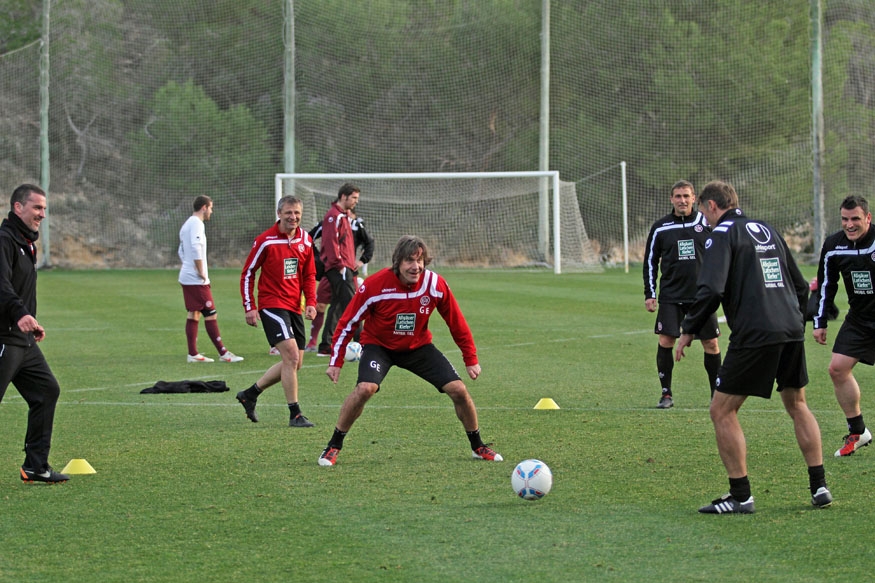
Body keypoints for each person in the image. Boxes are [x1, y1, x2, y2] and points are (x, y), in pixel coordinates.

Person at [676, 180, 832, 513]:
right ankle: (819, 487)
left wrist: (689, 328)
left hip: (756, 332)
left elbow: (712, 289)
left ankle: (740, 495)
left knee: (721, 410)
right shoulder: (766, 229)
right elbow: (800, 285)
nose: (703, 216)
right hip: (790, 328)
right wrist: (792, 317)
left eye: (703, 209)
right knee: (797, 404)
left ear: (713, 206)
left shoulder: (722, 233)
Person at [316, 235, 503, 466]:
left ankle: (478, 446)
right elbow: (348, 322)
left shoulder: (435, 284)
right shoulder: (375, 285)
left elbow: (456, 322)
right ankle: (333, 445)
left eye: (420, 260)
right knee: (365, 388)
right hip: (379, 347)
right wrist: (336, 361)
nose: (415, 267)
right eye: (409, 261)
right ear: (398, 262)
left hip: (418, 347)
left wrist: (470, 358)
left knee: (459, 390)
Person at [0, 184, 68, 483]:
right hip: (4, 336)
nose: (42, 214)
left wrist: (29, 320)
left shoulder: (25, 242)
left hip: (23, 340)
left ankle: (35, 466)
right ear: (18, 207)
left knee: (46, 391)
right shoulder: (4, 240)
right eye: (37, 208)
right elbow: (1, 287)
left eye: (44, 208)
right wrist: (21, 313)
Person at [236, 195, 318, 427]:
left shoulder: (306, 240)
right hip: (272, 304)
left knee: (295, 362)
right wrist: (249, 307)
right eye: (289, 213)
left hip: (295, 306)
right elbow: (248, 273)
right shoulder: (266, 240)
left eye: (297, 213)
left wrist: (310, 301)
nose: (293, 217)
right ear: (279, 213)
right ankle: (295, 414)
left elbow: (309, 274)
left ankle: (250, 394)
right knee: (291, 356)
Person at [643, 180, 721, 408]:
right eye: (677, 196)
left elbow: (721, 256)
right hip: (671, 295)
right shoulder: (661, 227)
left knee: (711, 343)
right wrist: (650, 293)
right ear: (671, 199)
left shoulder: (706, 223)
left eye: (686, 196)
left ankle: (716, 395)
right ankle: (666, 394)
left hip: (702, 297)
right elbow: (650, 261)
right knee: (666, 340)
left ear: (694, 198)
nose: (682, 200)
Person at [812, 195, 875, 457]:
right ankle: (858, 431)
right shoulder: (834, 245)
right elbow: (826, 284)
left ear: (868, 218)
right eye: (845, 219)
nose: (850, 225)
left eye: (855, 219)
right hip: (859, 319)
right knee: (837, 369)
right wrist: (820, 321)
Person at [178, 195, 243, 363]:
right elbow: (195, 246)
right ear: (204, 207)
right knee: (211, 313)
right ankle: (224, 354)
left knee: (195, 313)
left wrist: (188, 266)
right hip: (195, 278)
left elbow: (181, 250)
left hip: (187, 275)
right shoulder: (197, 224)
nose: (211, 212)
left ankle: (193, 354)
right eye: (211, 208)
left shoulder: (187, 224)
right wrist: (201, 272)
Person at [305, 210, 375, 352]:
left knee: (349, 306)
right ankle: (314, 342)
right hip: (330, 271)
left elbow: (369, 243)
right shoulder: (329, 223)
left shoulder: (355, 225)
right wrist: (318, 258)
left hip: (348, 273)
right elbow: (308, 237)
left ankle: (357, 342)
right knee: (321, 306)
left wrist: (362, 261)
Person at [317, 183, 362, 356]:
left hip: (344, 267)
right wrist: (340, 266)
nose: (356, 202)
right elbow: (330, 242)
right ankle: (362, 342)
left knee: (336, 306)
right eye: (354, 198)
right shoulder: (333, 216)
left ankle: (325, 345)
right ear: (343, 196)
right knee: (354, 305)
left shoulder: (343, 216)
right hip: (339, 269)